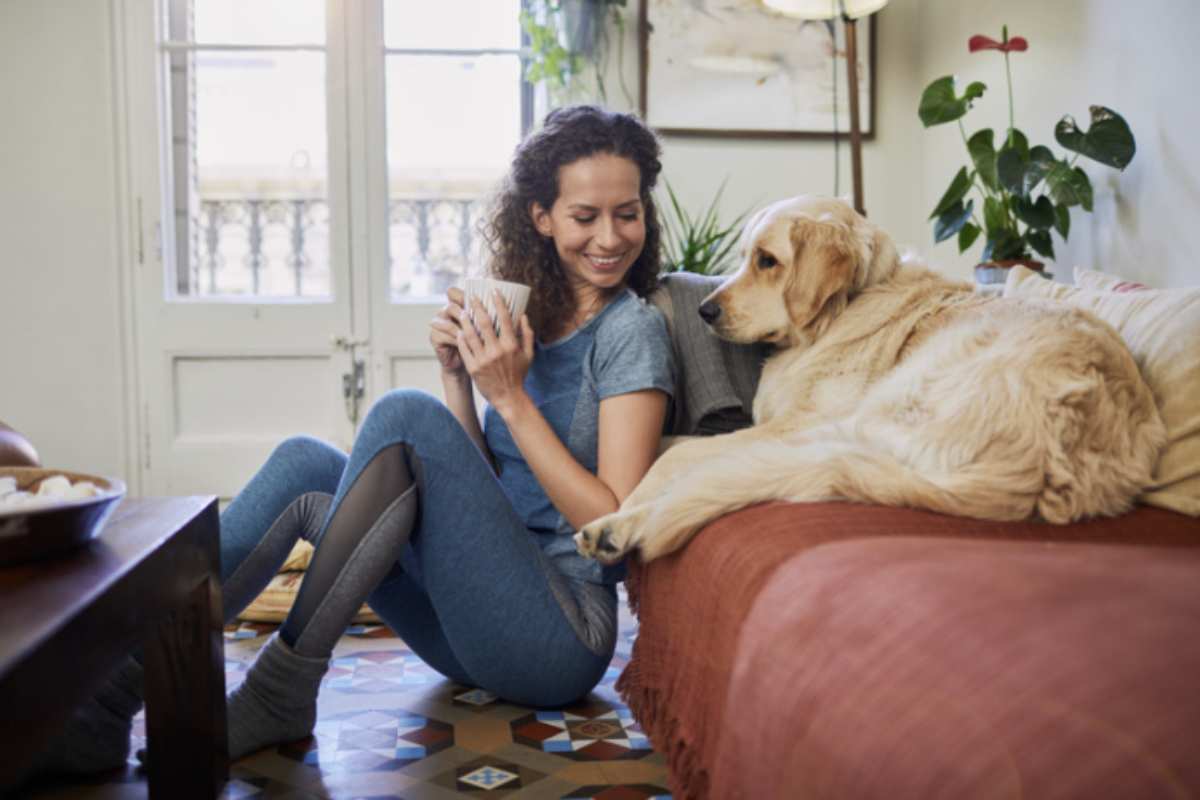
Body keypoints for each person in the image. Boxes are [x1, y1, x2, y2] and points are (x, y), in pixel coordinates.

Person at [40, 104, 675, 773]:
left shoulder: (630, 332)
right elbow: (490, 491)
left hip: (557, 636)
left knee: (403, 415)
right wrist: (460, 379)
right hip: (472, 620)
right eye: (585, 216)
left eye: (627, 213)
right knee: (304, 464)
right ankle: (104, 703)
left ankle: (282, 687)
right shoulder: (530, 317)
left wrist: (510, 398)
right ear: (541, 217)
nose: (609, 236)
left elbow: (615, 522)